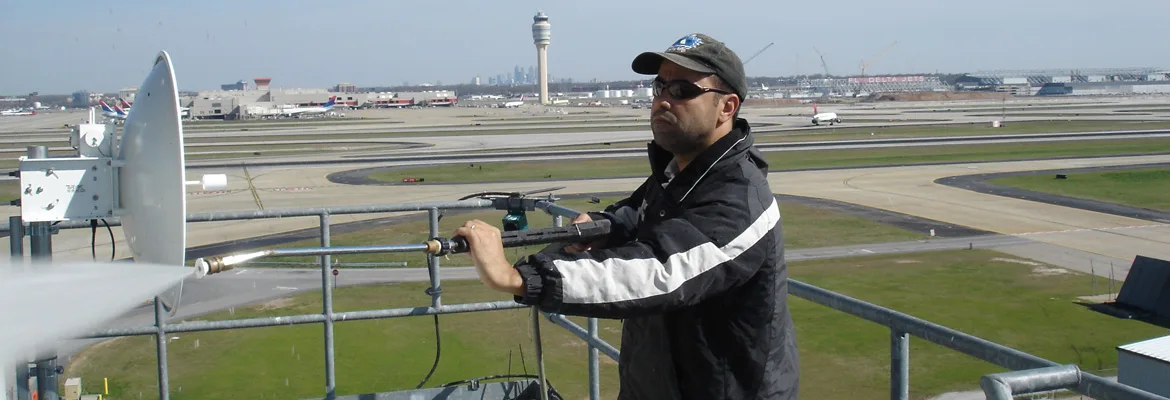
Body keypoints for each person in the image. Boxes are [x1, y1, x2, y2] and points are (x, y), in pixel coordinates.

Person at [456, 33, 799, 400]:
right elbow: (641, 212)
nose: (664, 100)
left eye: (683, 90)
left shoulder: (741, 199)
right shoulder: (678, 174)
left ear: (727, 107)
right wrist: (606, 226)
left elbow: (662, 270)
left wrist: (519, 277)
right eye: (660, 86)